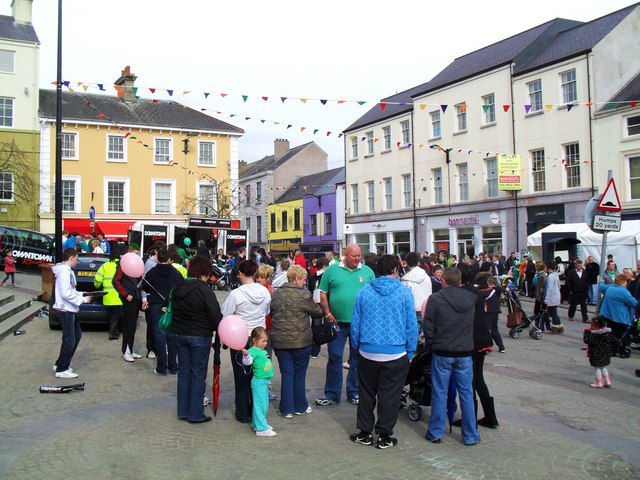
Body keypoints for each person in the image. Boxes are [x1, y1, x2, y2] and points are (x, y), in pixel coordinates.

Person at [349, 254, 418, 449]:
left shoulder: (364, 292)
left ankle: (364, 432)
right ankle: (384, 435)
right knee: (390, 395)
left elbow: (356, 323)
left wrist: (356, 346)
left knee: (366, 393)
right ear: (396, 270)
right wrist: (410, 351)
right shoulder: (404, 293)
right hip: (395, 352)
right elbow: (411, 325)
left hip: (368, 350)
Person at [424, 267, 480, 446]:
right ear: (460, 281)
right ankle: (470, 434)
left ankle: (436, 432)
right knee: (466, 393)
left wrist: (431, 343)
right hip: (464, 351)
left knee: (440, 392)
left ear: (444, 281)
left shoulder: (436, 299)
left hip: (443, 350)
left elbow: (429, 324)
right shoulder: (471, 298)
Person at [315, 244, 375, 407]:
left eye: (358, 256)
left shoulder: (368, 272)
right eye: (353, 256)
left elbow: (374, 295)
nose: (357, 259)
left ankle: (354, 392)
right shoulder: (331, 271)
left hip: (360, 323)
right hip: (337, 323)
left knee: (356, 358)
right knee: (334, 357)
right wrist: (327, 313)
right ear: (345, 255)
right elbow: (323, 293)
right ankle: (332, 393)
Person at [171, 255, 222, 423]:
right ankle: (195, 413)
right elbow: (215, 314)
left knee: (184, 373)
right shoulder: (204, 290)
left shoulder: (178, 287)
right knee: (198, 374)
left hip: (179, 333)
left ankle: (183, 410)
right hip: (199, 335)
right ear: (205, 273)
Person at [221, 259, 271, 424]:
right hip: (260, 339)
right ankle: (256, 412)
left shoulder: (236, 293)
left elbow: (226, 313)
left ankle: (242, 413)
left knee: (241, 377)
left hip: (241, 338)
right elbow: (267, 311)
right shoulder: (264, 291)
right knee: (258, 376)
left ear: (241, 273)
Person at [270, 265, 323, 418]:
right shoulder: (304, 295)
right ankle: (300, 406)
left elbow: (272, 311)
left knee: (287, 373)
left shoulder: (276, 294)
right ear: (297, 279)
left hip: (280, 340)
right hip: (301, 341)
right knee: (299, 374)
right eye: (303, 279)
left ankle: (286, 409)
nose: (304, 282)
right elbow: (317, 312)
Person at [453, 272, 500, 429]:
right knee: (478, 378)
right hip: (483, 338)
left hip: (472, 341)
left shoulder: (464, 294)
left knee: (469, 380)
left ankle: (470, 418)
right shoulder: (476, 292)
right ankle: (490, 417)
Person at [142, 248, 185, 375]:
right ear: (169, 259)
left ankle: (161, 367)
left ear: (158, 258)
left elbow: (144, 286)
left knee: (159, 336)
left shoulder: (152, 272)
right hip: (172, 306)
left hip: (156, 305)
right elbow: (182, 287)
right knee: (171, 336)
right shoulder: (176, 272)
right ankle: (173, 366)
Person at [51, 248, 90, 378]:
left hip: (69, 309)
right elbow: (66, 293)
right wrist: (82, 299)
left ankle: (61, 363)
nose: (77, 262)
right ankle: (62, 369)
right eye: (76, 259)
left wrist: (81, 294)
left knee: (75, 336)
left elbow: (69, 290)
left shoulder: (66, 271)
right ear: (71, 258)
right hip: (66, 309)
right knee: (70, 339)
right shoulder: (65, 272)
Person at [242, 327, 276, 436]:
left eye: (266, 341)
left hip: (264, 381)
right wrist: (246, 355)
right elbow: (247, 362)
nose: (265, 343)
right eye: (263, 341)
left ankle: (257, 424)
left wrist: (269, 382)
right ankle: (261, 428)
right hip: (259, 381)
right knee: (260, 405)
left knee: (263, 404)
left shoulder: (263, 351)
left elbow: (267, 367)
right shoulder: (252, 351)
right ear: (255, 340)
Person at [114, 253, 148, 362]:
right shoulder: (123, 265)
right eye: (136, 253)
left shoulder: (136, 267)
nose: (137, 256)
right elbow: (115, 281)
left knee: (132, 326)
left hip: (136, 298)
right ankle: (126, 351)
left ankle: (131, 349)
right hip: (129, 299)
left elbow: (140, 282)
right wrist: (125, 294)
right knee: (129, 326)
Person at [599, 274, 638, 357]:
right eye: (625, 283)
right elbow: (633, 303)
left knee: (612, 334)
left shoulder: (609, 288)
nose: (626, 284)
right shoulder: (624, 291)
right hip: (620, 318)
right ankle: (622, 352)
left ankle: (612, 351)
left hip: (608, 316)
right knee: (622, 336)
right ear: (623, 282)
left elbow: (602, 287)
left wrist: (601, 281)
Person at [94, 247, 124, 340]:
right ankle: (113, 333)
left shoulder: (104, 266)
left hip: (107, 295)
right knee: (115, 314)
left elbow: (97, 280)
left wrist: (97, 286)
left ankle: (113, 331)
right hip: (118, 295)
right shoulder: (121, 266)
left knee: (111, 314)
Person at [400, 251, 432, 332]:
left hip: (412, 313)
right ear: (418, 262)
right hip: (427, 310)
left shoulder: (405, 281)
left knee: (413, 341)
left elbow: (403, 299)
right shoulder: (426, 276)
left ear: (406, 262)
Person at [583, 317, 613, 388]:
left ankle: (598, 382)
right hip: (605, 353)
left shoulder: (591, 333)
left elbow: (587, 340)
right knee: (603, 367)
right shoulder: (606, 332)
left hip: (595, 353)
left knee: (597, 368)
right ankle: (607, 381)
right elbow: (613, 339)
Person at [543, 261, 564, 334]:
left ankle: (554, 327)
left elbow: (549, 289)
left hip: (552, 297)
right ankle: (560, 326)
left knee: (552, 313)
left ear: (548, 268)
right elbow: (559, 286)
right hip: (556, 295)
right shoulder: (555, 275)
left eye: (545, 267)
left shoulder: (550, 276)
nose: (544, 268)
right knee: (554, 312)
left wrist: (546, 299)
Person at [486, 276, 505, 353]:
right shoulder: (496, 290)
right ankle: (501, 346)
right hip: (495, 312)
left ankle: (487, 346)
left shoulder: (494, 290)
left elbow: (499, 288)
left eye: (488, 284)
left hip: (490, 312)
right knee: (494, 330)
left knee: (487, 329)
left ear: (491, 284)